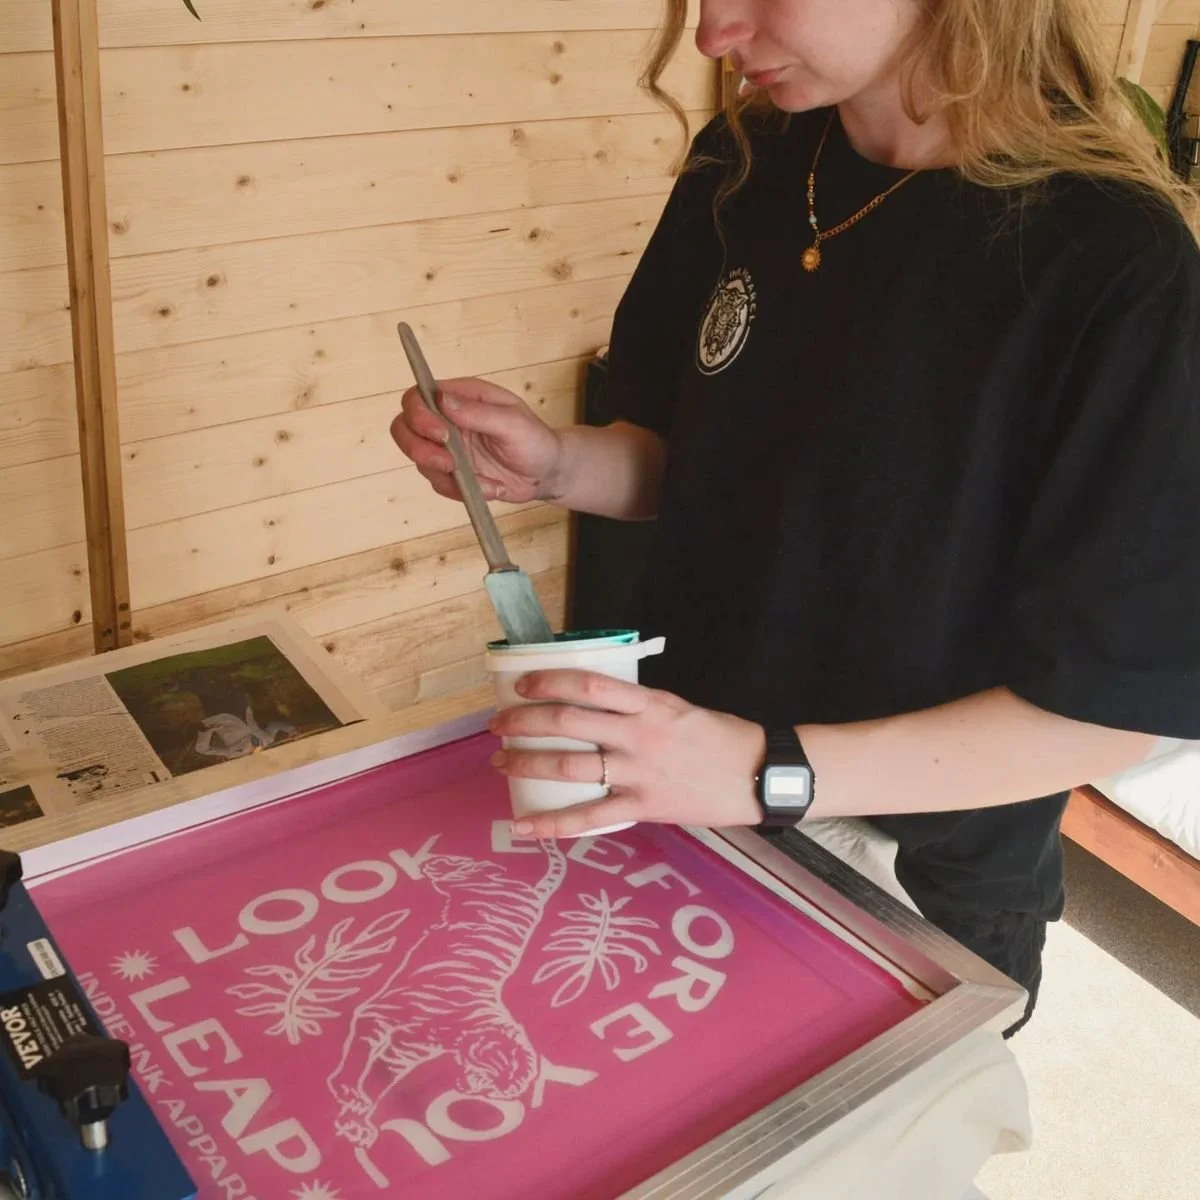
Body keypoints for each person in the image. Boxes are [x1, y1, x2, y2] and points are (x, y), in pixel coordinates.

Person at [391, 0, 1200, 1034]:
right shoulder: (745, 161)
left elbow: (1108, 715)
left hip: (912, 888)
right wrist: (557, 465)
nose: (713, 35)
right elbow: (705, 463)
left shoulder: (1116, 264)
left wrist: (761, 768)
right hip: (682, 797)